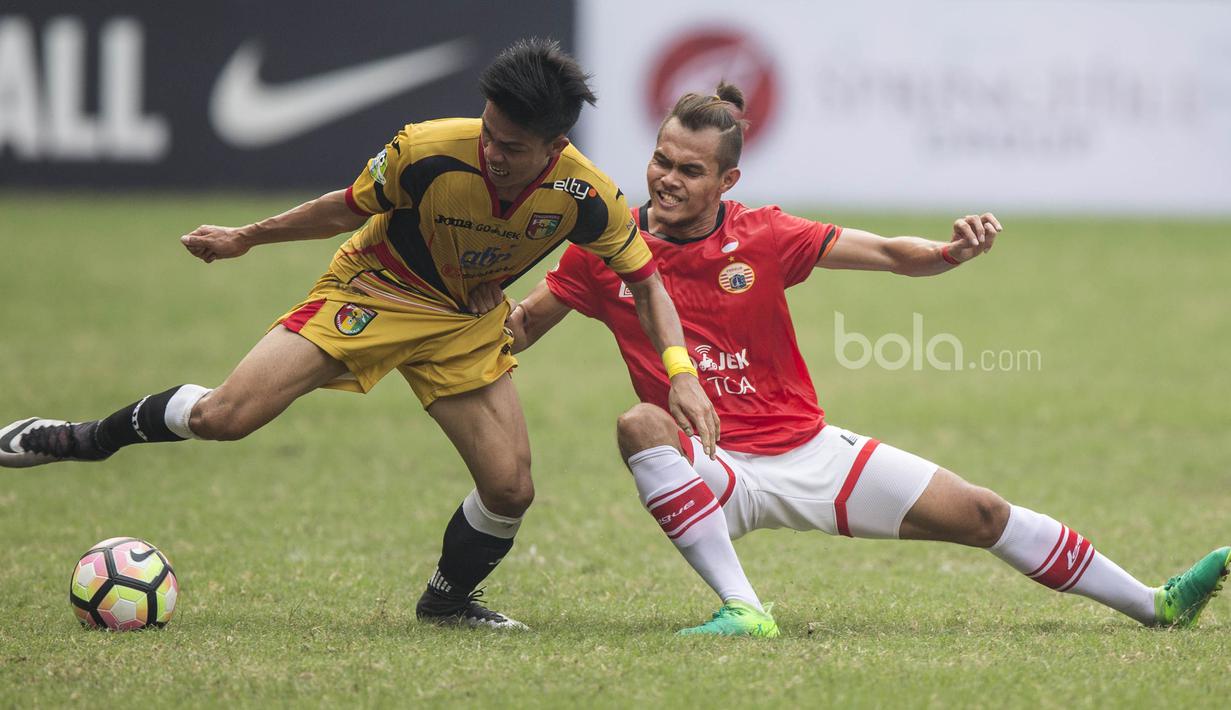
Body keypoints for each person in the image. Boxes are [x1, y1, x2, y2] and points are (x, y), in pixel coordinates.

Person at [0, 39, 719, 631]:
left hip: (462, 326)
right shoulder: (427, 150)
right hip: (374, 290)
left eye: (513, 146)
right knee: (227, 417)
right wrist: (246, 237)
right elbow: (344, 207)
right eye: (489, 133)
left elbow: (646, 281)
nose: (493, 152)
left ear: (554, 144)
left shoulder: (587, 196)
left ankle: (446, 601)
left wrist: (680, 371)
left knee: (510, 488)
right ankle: (80, 437)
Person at [494, 82, 1229, 636]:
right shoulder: (606, 250)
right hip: (707, 463)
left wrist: (947, 252)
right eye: (661, 160)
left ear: (727, 182)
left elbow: (886, 253)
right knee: (638, 424)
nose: (667, 180)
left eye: (691, 170)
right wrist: (458, 312)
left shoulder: (764, 234)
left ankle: (1155, 605)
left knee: (980, 512)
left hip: (807, 452)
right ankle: (743, 610)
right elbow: (524, 325)